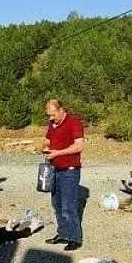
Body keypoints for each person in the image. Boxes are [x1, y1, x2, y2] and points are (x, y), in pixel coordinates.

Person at [42, 99, 85, 251]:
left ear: (61, 110)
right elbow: (47, 140)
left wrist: (58, 152)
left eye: (53, 115)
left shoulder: (74, 122)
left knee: (69, 206)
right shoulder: (52, 124)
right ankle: (63, 234)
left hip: (70, 171)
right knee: (57, 204)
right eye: (49, 115)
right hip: (55, 170)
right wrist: (47, 148)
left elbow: (79, 145)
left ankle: (75, 238)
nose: (50, 118)